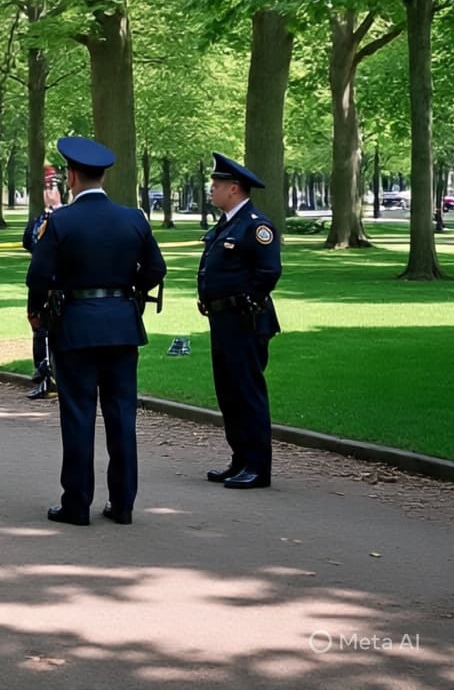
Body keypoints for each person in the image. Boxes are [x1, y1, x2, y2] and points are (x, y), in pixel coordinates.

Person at [27, 135, 167, 526]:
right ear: (103, 176)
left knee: (78, 416)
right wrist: (130, 291)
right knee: (122, 417)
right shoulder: (133, 218)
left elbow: (38, 276)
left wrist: (37, 311)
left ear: (71, 176)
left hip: (76, 326)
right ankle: (122, 503)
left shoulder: (61, 221)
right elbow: (157, 269)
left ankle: (77, 503)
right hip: (122, 325)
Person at [199, 152, 282, 490]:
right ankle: (240, 459)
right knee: (229, 393)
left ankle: (258, 466)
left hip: (245, 321)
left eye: (216, 185)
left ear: (233, 189)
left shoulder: (255, 225)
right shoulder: (228, 223)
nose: (211, 190)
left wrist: (247, 301)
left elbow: (269, 271)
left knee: (247, 392)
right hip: (223, 320)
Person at [22, 164, 64, 400]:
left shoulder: (64, 217)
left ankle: (53, 376)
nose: (49, 192)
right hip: (39, 281)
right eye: (46, 187)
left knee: (52, 330)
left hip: (56, 282)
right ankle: (41, 370)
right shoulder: (39, 219)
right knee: (37, 325)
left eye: (53, 186)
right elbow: (28, 241)